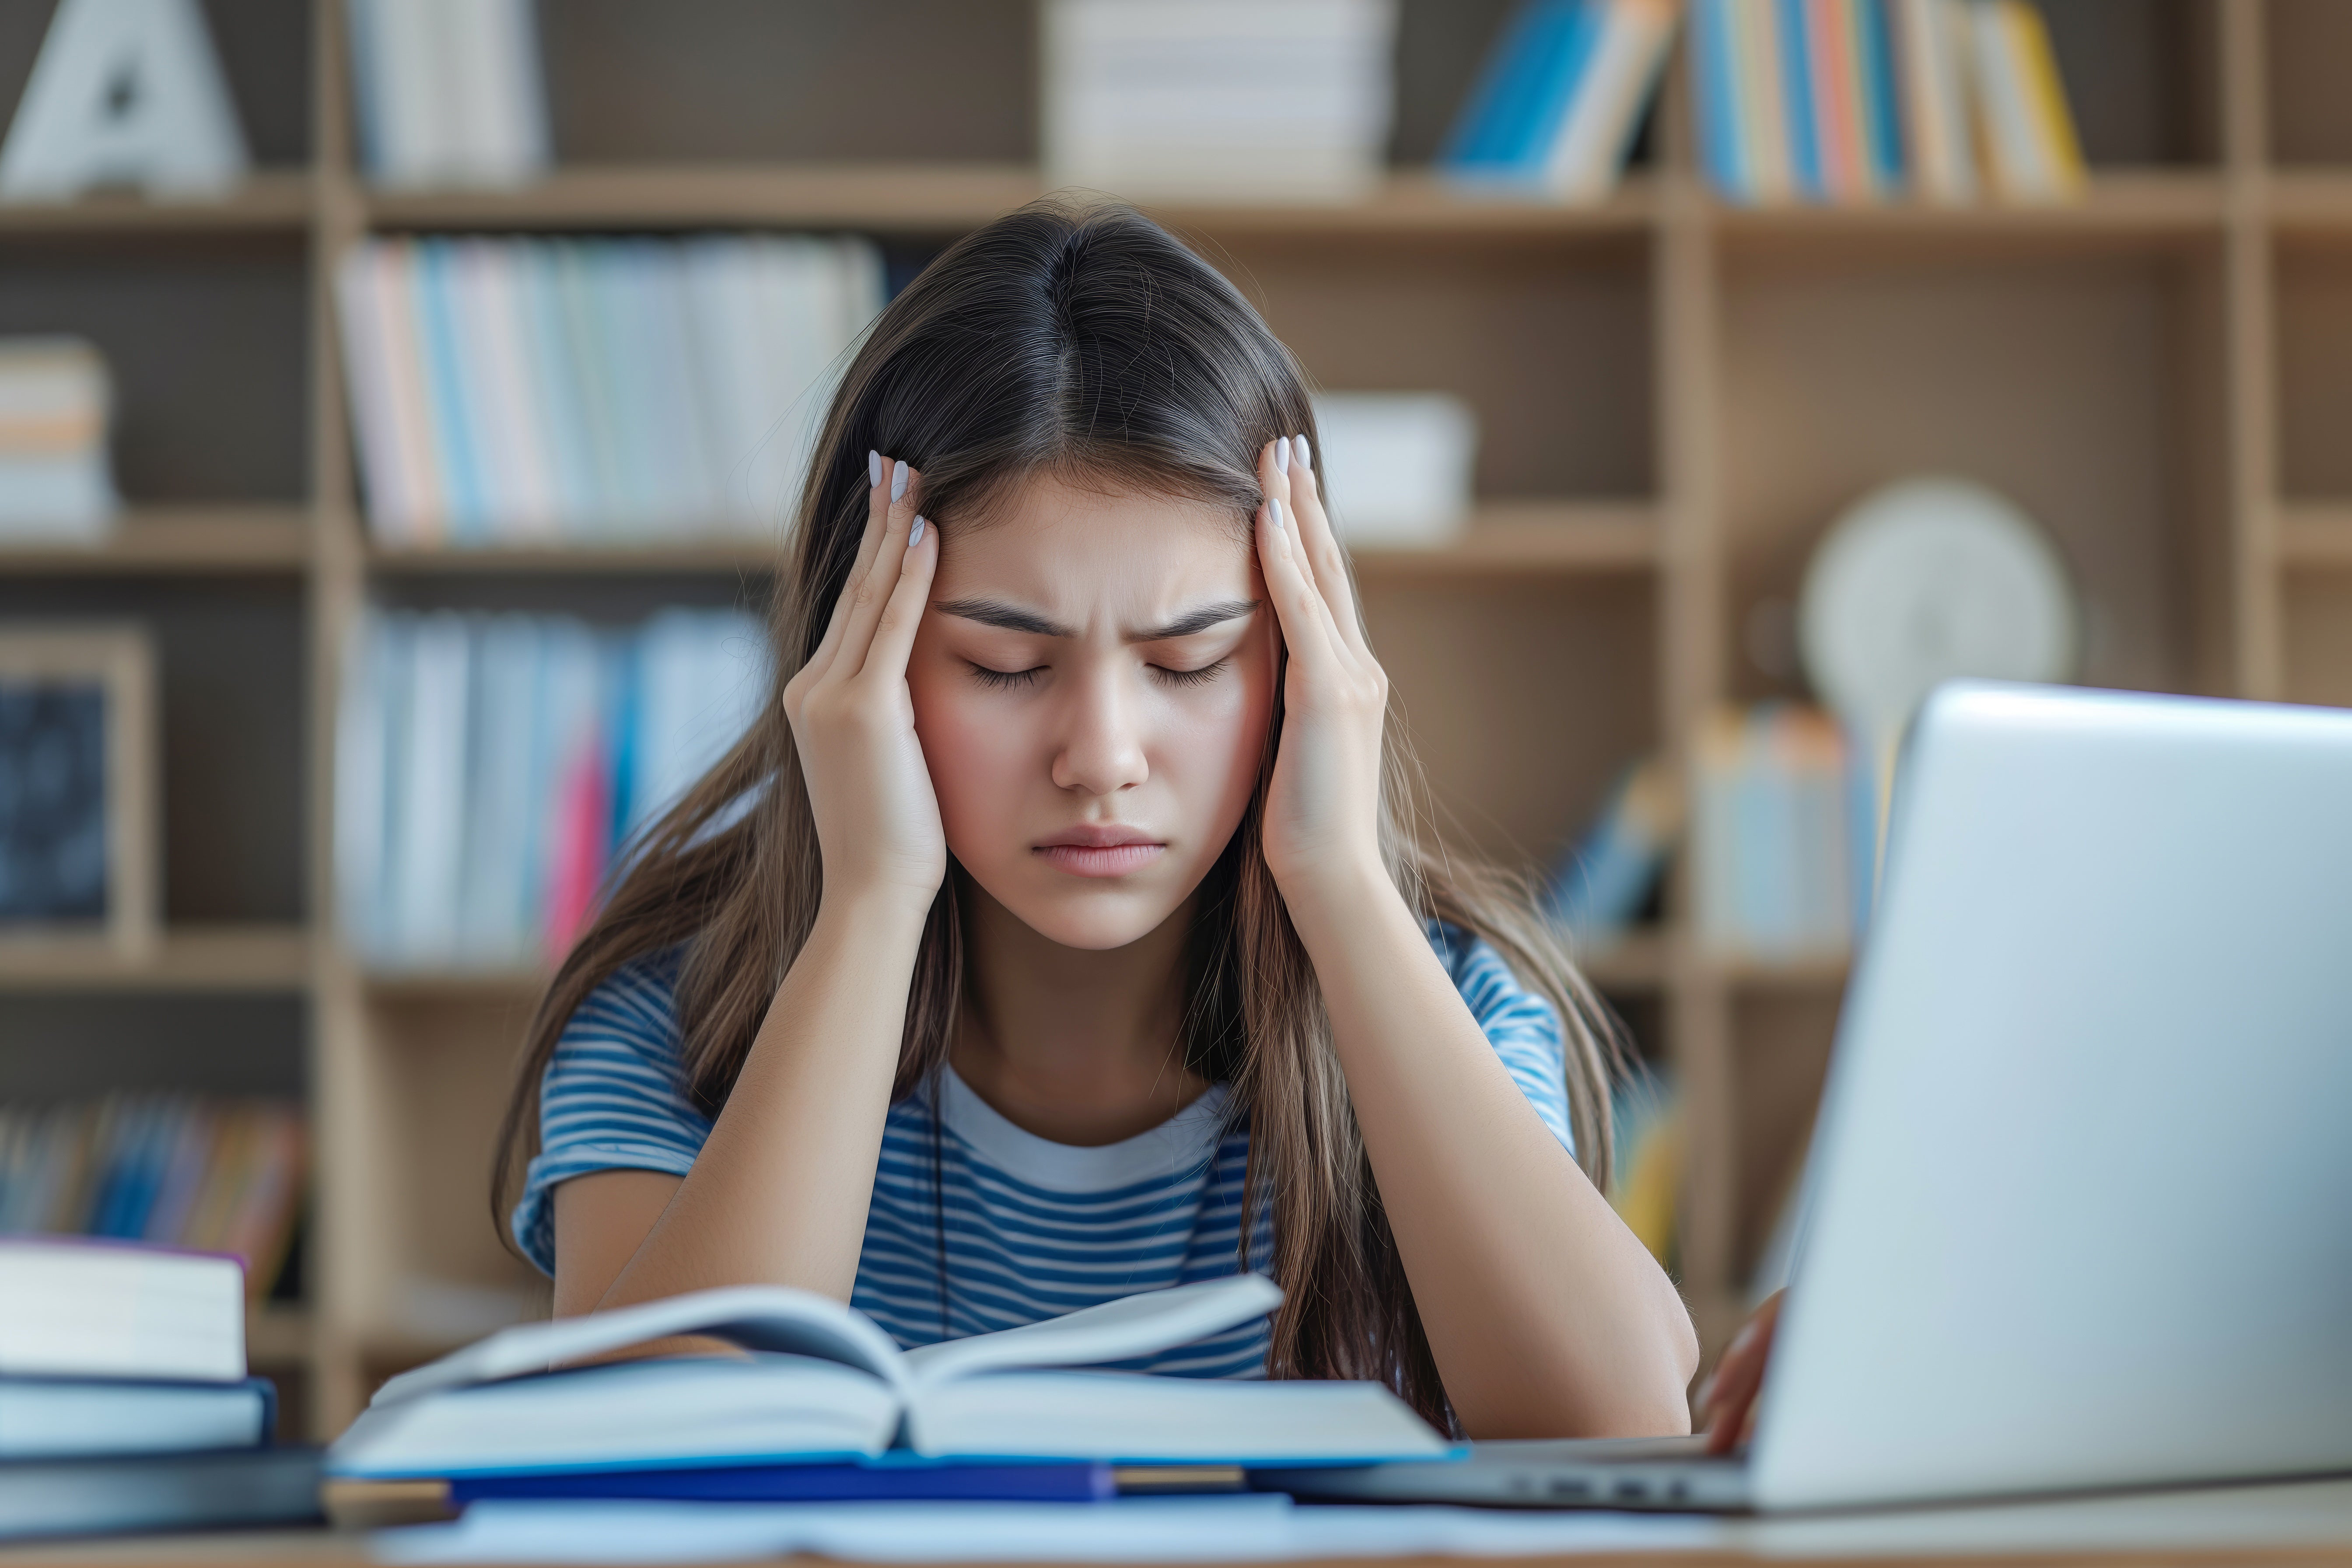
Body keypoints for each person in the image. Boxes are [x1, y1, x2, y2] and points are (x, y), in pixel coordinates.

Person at [490, 198, 1698, 1439]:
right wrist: (867, 905)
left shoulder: (1445, 995)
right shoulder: (673, 1018)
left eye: (1189, 665)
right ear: (860, 660)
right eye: (1006, 667)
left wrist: (1335, 877)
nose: (1103, 759)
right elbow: (641, 1472)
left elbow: (1620, 1427)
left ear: (1305, 662)